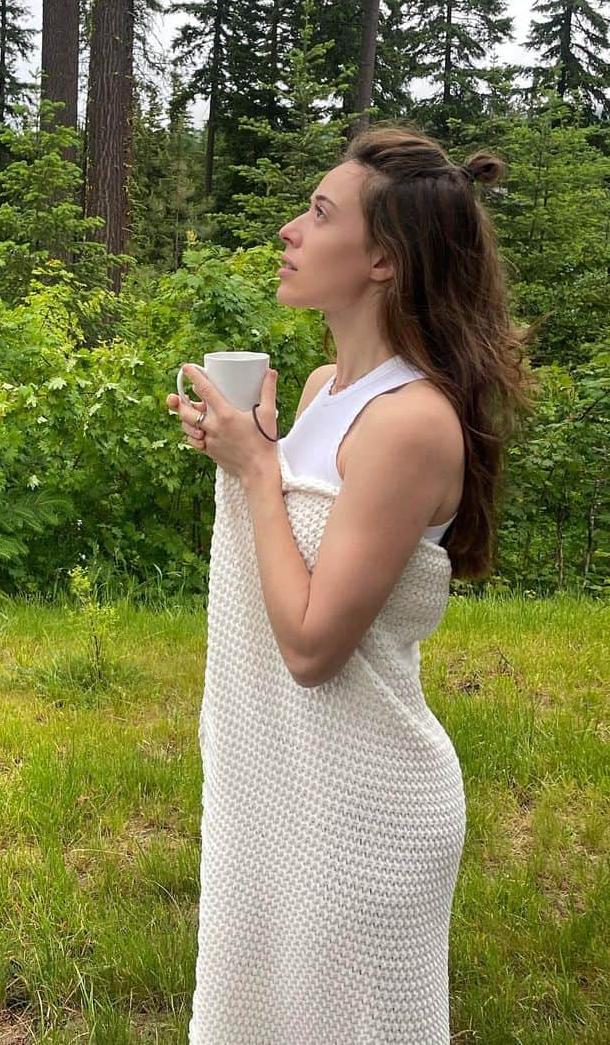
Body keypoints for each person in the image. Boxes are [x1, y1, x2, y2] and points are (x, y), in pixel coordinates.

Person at [165, 125, 537, 1044]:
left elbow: (310, 645)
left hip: (361, 814)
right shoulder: (327, 386)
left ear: (382, 259)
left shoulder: (411, 424)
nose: (290, 230)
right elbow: (284, 549)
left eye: (320, 213)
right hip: (281, 790)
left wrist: (258, 471)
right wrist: (241, 451)